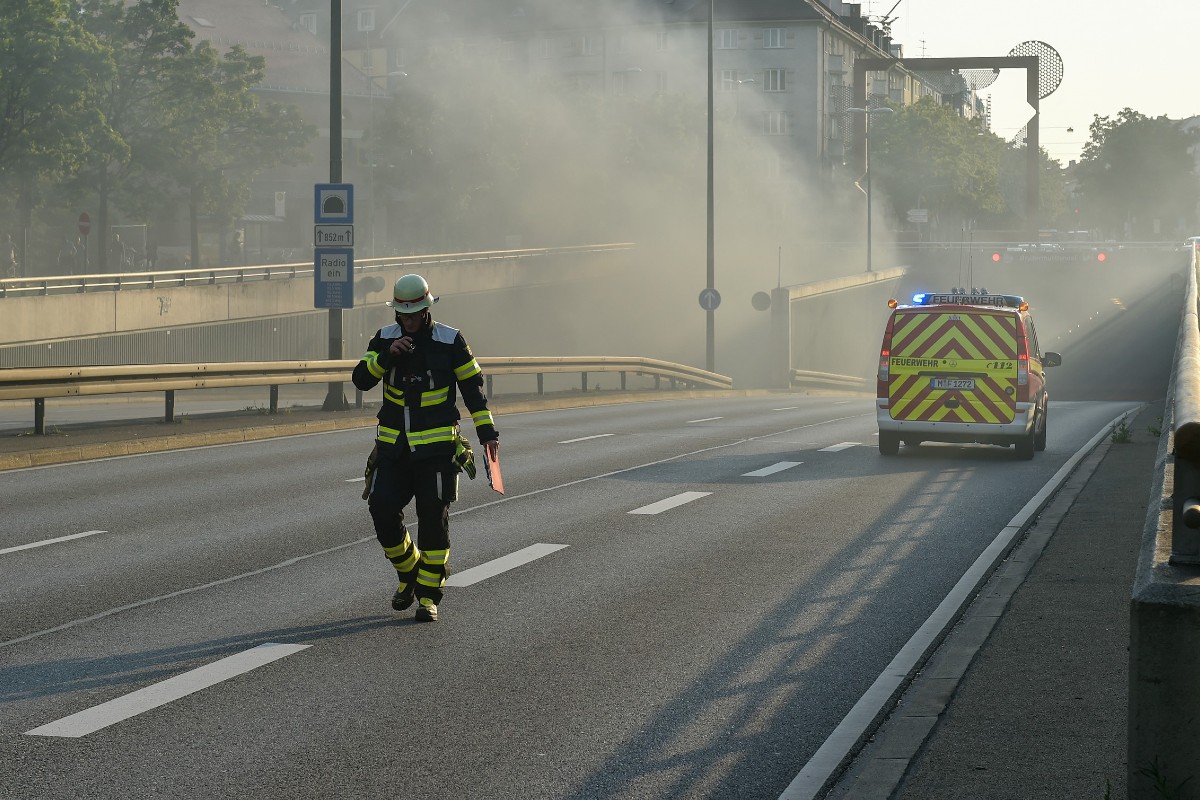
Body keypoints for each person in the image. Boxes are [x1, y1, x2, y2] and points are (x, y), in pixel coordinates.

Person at [352, 273, 499, 622]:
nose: (410, 321)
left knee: (433, 520)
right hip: (393, 451)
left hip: (436, 453)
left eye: (416, 314)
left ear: (427, 308)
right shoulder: (384, 339)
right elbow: (361, 379)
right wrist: (386, 357)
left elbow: (473, 391)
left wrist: (487, 432)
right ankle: (409, 572)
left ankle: (429, 596)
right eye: (404, 315)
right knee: (382, 509)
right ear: (396, 314)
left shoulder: (450, 340)